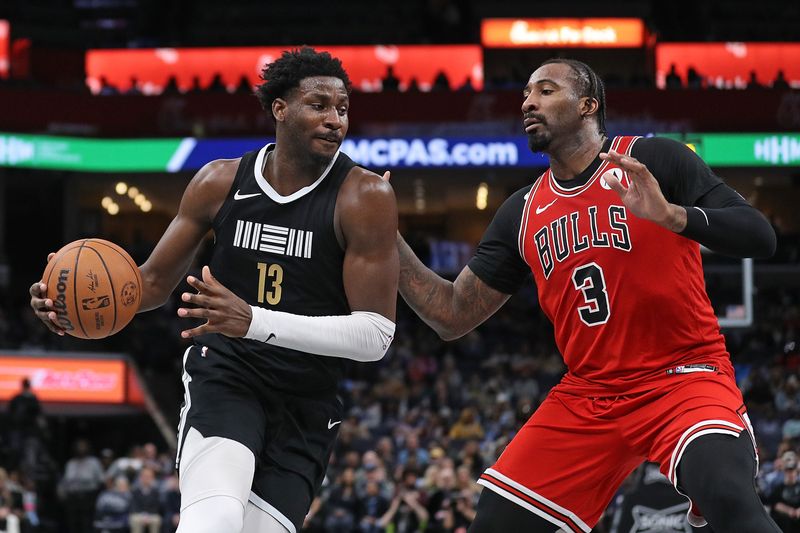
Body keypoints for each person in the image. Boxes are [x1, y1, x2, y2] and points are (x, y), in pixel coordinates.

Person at [389, 58, 779, 532]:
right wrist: (385, 236)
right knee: (493, 522)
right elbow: (451, 314)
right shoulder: (522, 210)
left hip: (681, 375)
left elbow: (761, 236)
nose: (529, 102)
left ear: (588, 105)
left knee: (728, 496)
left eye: (546, 91)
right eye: (526, 95)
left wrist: (673, 216)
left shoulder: (652, 159)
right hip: (589, 393)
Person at [30, 46, 399, 533]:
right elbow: (152, 283)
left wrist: (254, 320)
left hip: (306, 400)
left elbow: (375, 336)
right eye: (319, 105)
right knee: (216, 519)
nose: (335, 119)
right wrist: (75, 307)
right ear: (279, 109)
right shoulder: (220, 181)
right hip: (228, 374)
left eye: (343, 108)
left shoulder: (364, 196)